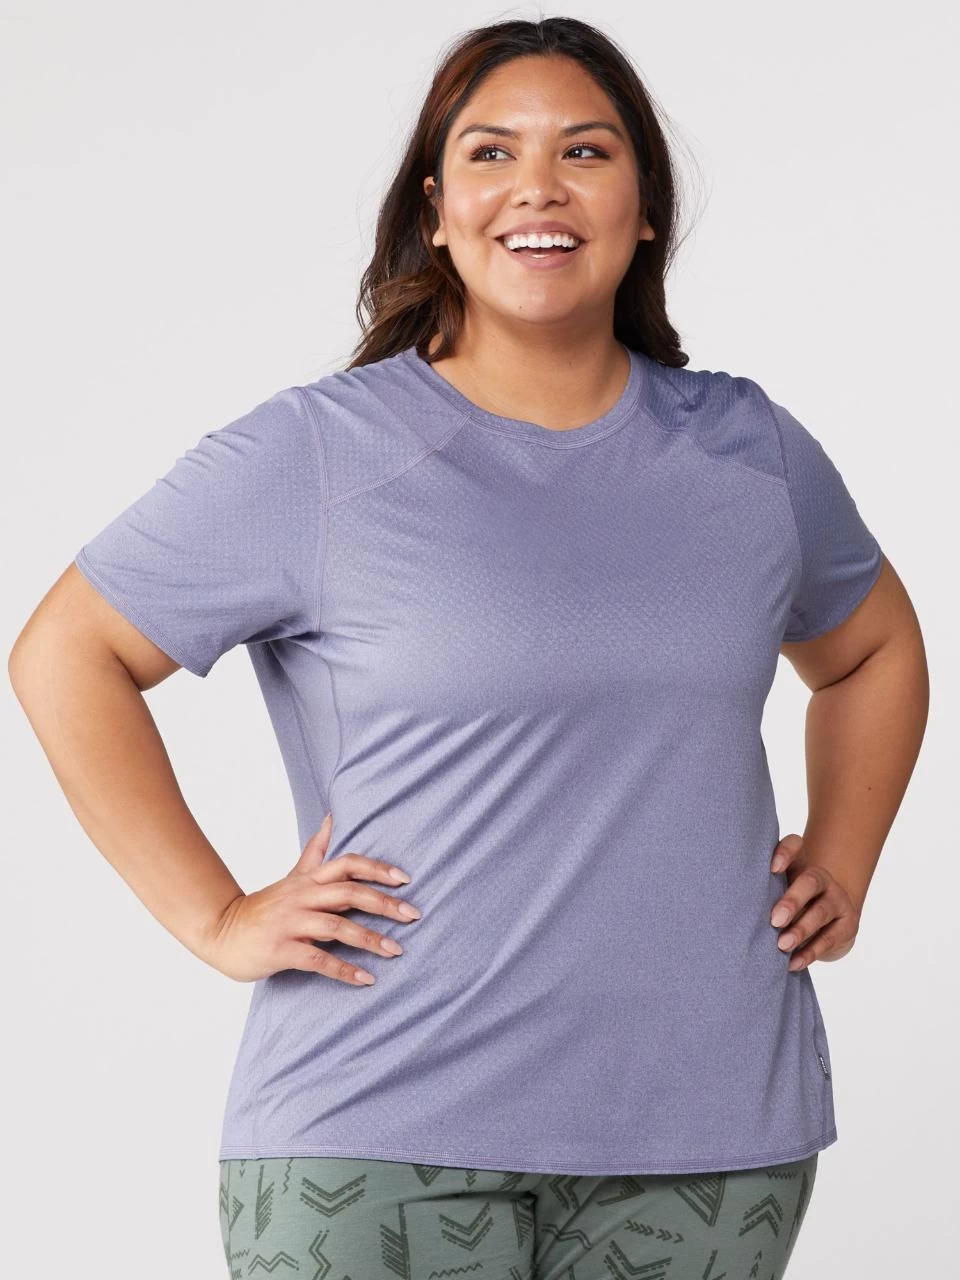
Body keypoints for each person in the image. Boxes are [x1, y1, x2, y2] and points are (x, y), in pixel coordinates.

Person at [8, 16, 928, 1280]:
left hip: (711, 1130)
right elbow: (69, 649)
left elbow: (875, 648)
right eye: (492, 153)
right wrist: (216, 914)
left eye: (586, 152)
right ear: (437, 212)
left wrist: (845, 858)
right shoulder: (320, 454)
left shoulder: (749, 453)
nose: (538, 187)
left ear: (645, 210)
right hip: (377, 1126)